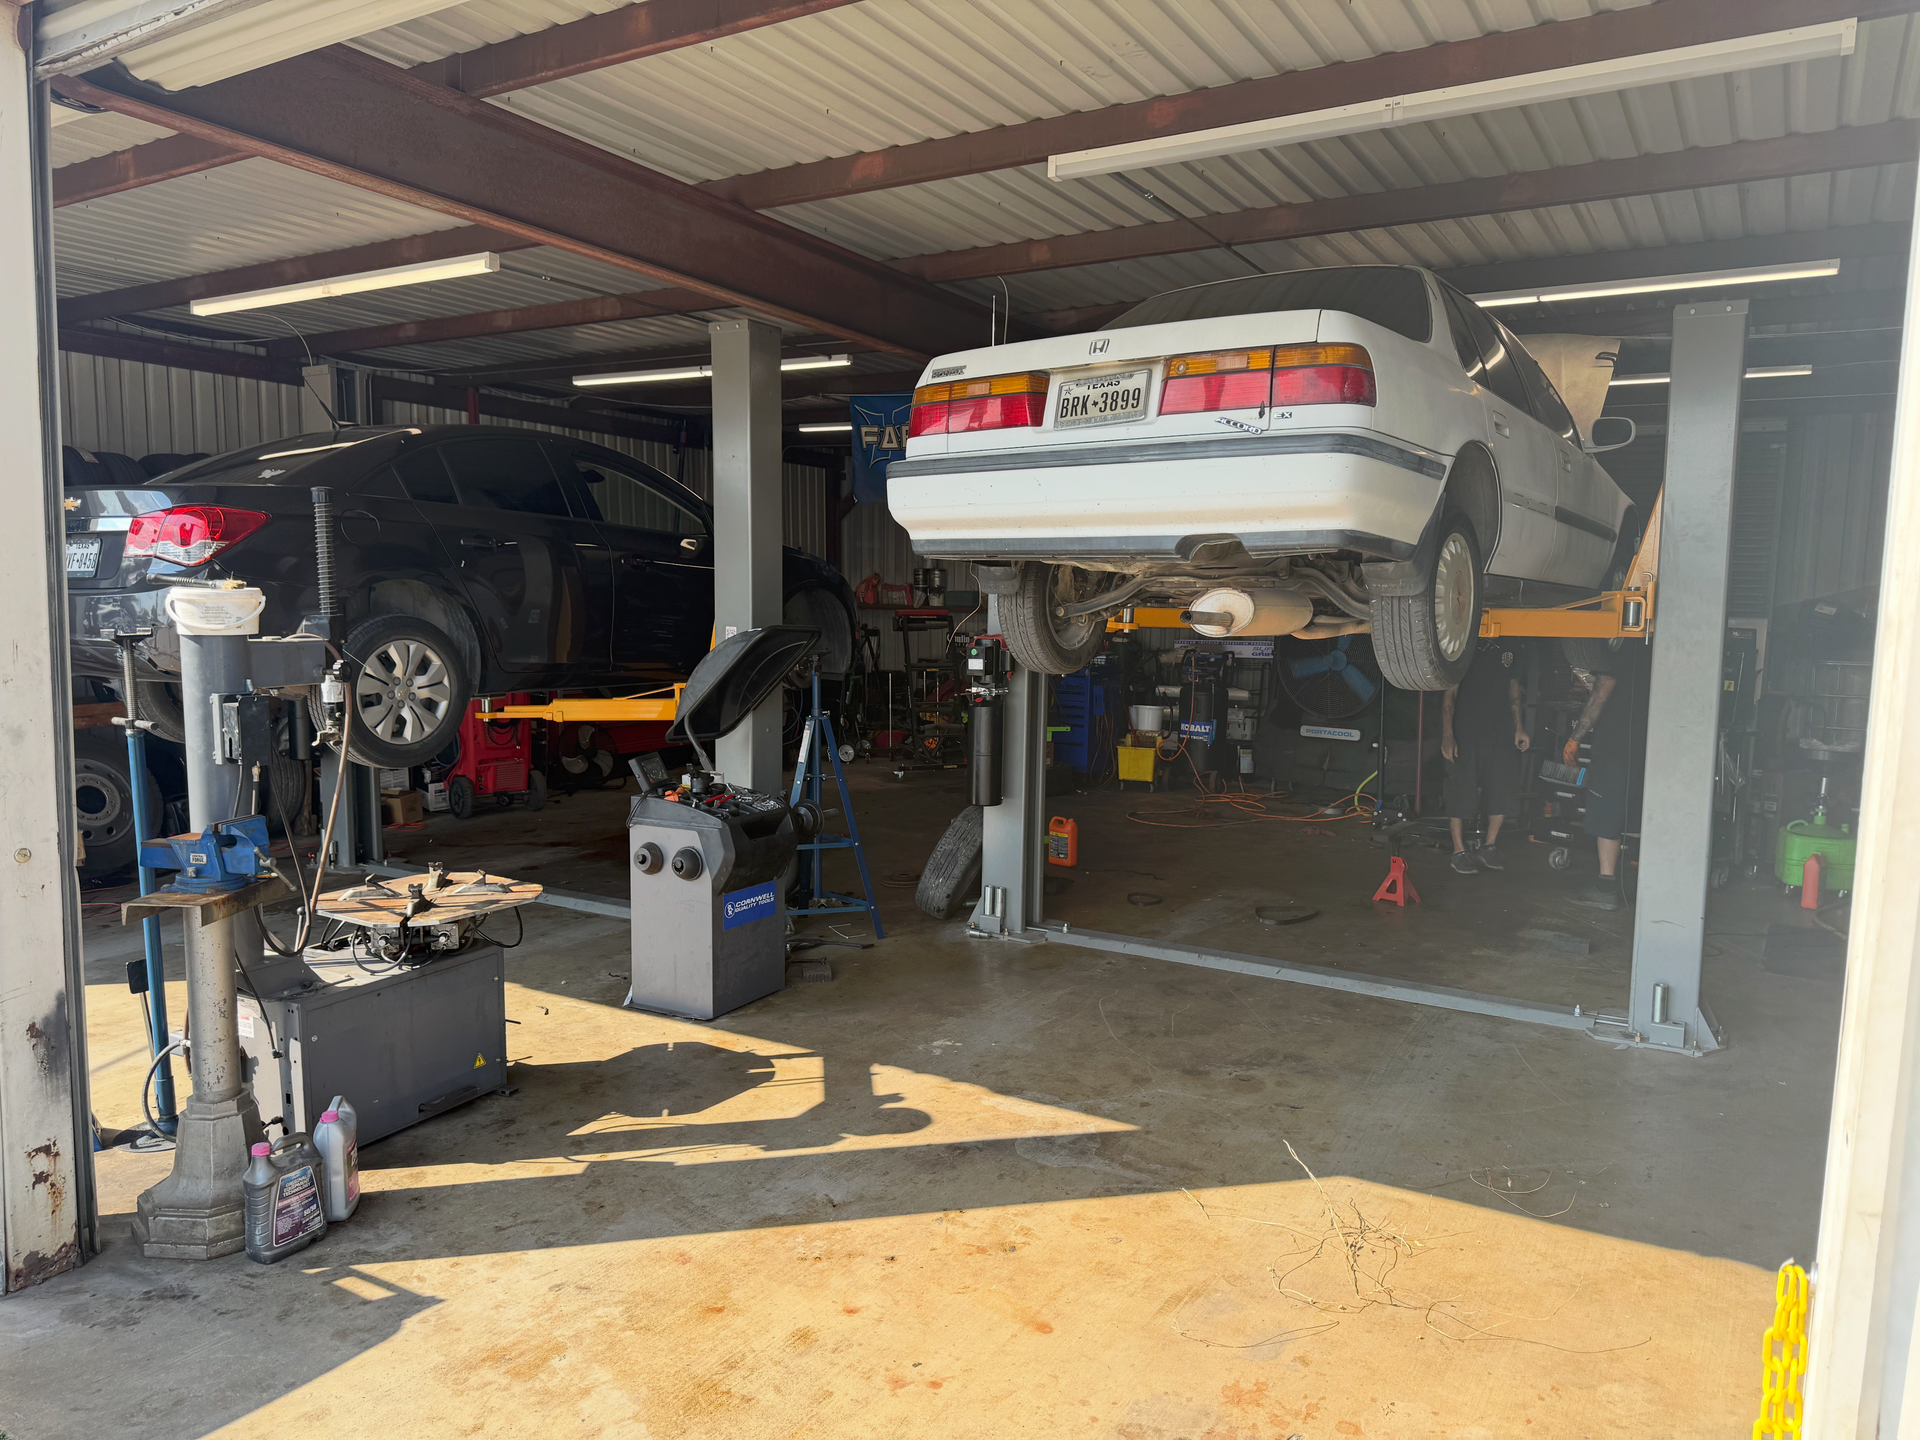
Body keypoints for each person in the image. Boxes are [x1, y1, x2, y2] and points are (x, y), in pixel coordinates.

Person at [1441, 639, 1530, 875]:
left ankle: (1489, 847)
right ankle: (1458, 851)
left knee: (1502, 786)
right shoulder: (1462, 645)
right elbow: (1450, 694)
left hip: (1500, 732)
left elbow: (1514, 690)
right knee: (1461, 787)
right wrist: (1448, 736)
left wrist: (1519, 727)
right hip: (1466, 732)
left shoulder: (1510, 647)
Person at [1564, 652, 1640, 910]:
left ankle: (1606, 888)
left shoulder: (1618, 650)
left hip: (1615, 747)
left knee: (1607, 812)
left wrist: (1575, 738)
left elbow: (1601, 692)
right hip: (1647, 744)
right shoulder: (1655, 651)